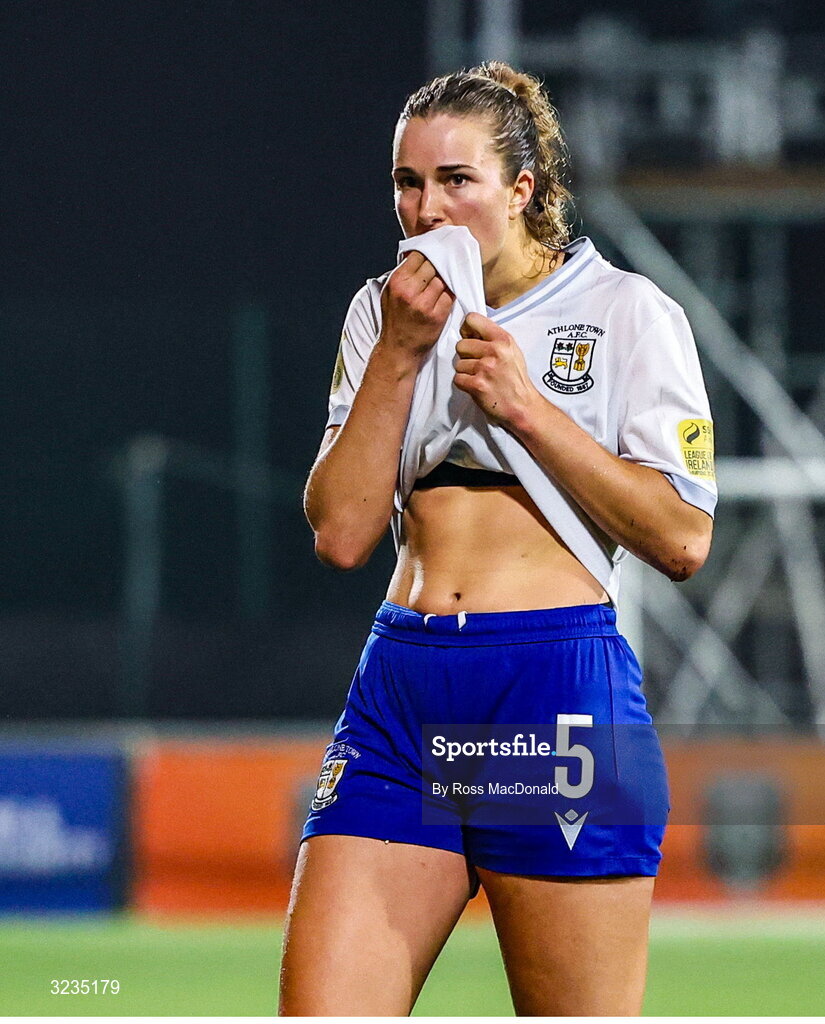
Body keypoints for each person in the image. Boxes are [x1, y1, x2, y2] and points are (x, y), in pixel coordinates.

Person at [279, 61, 716, 1016]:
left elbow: (684, 540)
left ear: (523, 189)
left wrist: (526, 409)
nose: (426, 207)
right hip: (401, 691)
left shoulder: (627, 314)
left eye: (455, 180)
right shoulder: (379, 313)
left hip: (551, 693)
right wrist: (398, 353)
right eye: (407, 182)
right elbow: (344, 535)